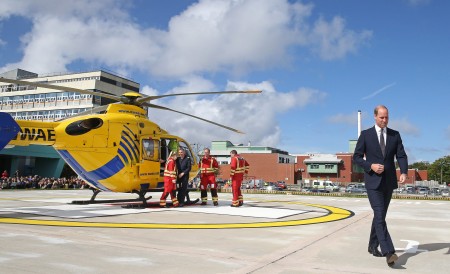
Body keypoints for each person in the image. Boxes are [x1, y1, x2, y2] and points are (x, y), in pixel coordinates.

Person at [353, 105, 408, 267]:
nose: (384, 120)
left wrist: (403, 172)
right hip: (372, 182)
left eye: (387, 117)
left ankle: (372, 245)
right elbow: (356, 157)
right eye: (382, 117)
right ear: (375, 117)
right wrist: (370, 166)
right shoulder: (366, 135)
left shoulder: (395, 135)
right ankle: (389, 252)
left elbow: (401, 155)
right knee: (379, 214)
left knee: (380, 216)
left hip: (389, 181)